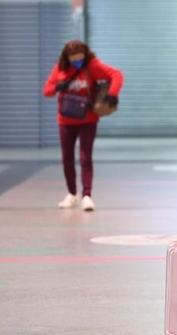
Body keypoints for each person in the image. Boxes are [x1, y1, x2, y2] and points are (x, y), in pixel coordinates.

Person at [43, 40, 124, 211]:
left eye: (80, 58)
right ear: (67, 57)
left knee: (85, 157)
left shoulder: (92, 65)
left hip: (88, 119)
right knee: (67, 158)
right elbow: (47, 90)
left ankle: (87, 195)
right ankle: (72, 194)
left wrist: (112, 94)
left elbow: (116, 74)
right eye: (74, 59)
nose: (77, 62)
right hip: (65, 120)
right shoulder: (60, 67)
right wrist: (59, 86)